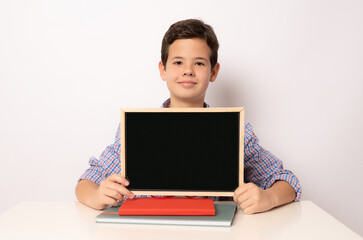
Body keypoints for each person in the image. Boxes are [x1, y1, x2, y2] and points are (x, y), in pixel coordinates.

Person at [75, 19, 302, 214]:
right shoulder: (136, 129)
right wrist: (96, 196)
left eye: (199, 63)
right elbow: (88, 180)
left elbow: (285, 180)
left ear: (213, 72)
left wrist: (269, 198)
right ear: (163, 70)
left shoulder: (236, 131)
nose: (188, 70)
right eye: (178, 62)